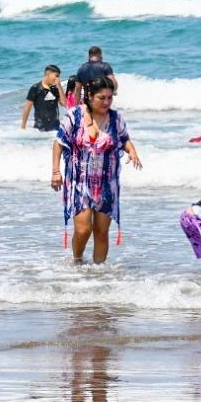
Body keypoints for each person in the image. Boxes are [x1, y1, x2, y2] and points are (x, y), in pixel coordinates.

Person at [51, 78, 142, 264]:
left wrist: (132, 151)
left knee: (101, 232)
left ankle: (98, 274)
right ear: (90, 96)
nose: (107, 102)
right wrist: (55, 172)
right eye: (102, 98)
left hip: (107, 184)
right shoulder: (74, 116)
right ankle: (77, 261)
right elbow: (59, 143)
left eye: (110, 98)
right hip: (79, 182)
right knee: (84, 230)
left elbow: (124, 139)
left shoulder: (116, 118)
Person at [21, 65, 64, 131]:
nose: (57, 79)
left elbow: (64, 104)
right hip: (40, 128)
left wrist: (60, 87)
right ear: (48, 74)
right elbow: (27, 108)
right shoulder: (35, 88)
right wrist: (23, 126)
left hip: (55, 128)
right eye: (56, 76)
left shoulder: (55, 89)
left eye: (58, 77)